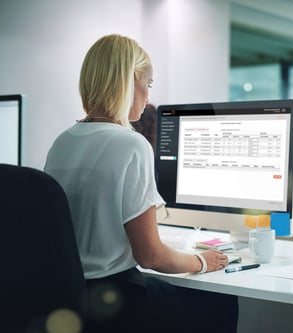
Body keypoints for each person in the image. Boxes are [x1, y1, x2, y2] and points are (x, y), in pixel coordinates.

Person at [44, 34, 238, 333]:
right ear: (128, 82)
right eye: (147, 85)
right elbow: (150, 256)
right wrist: (201, 260)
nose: (148, 97)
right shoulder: (131, 144)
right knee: (222, 299)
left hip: (68, 297)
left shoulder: (62, 141)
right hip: (117, 299)